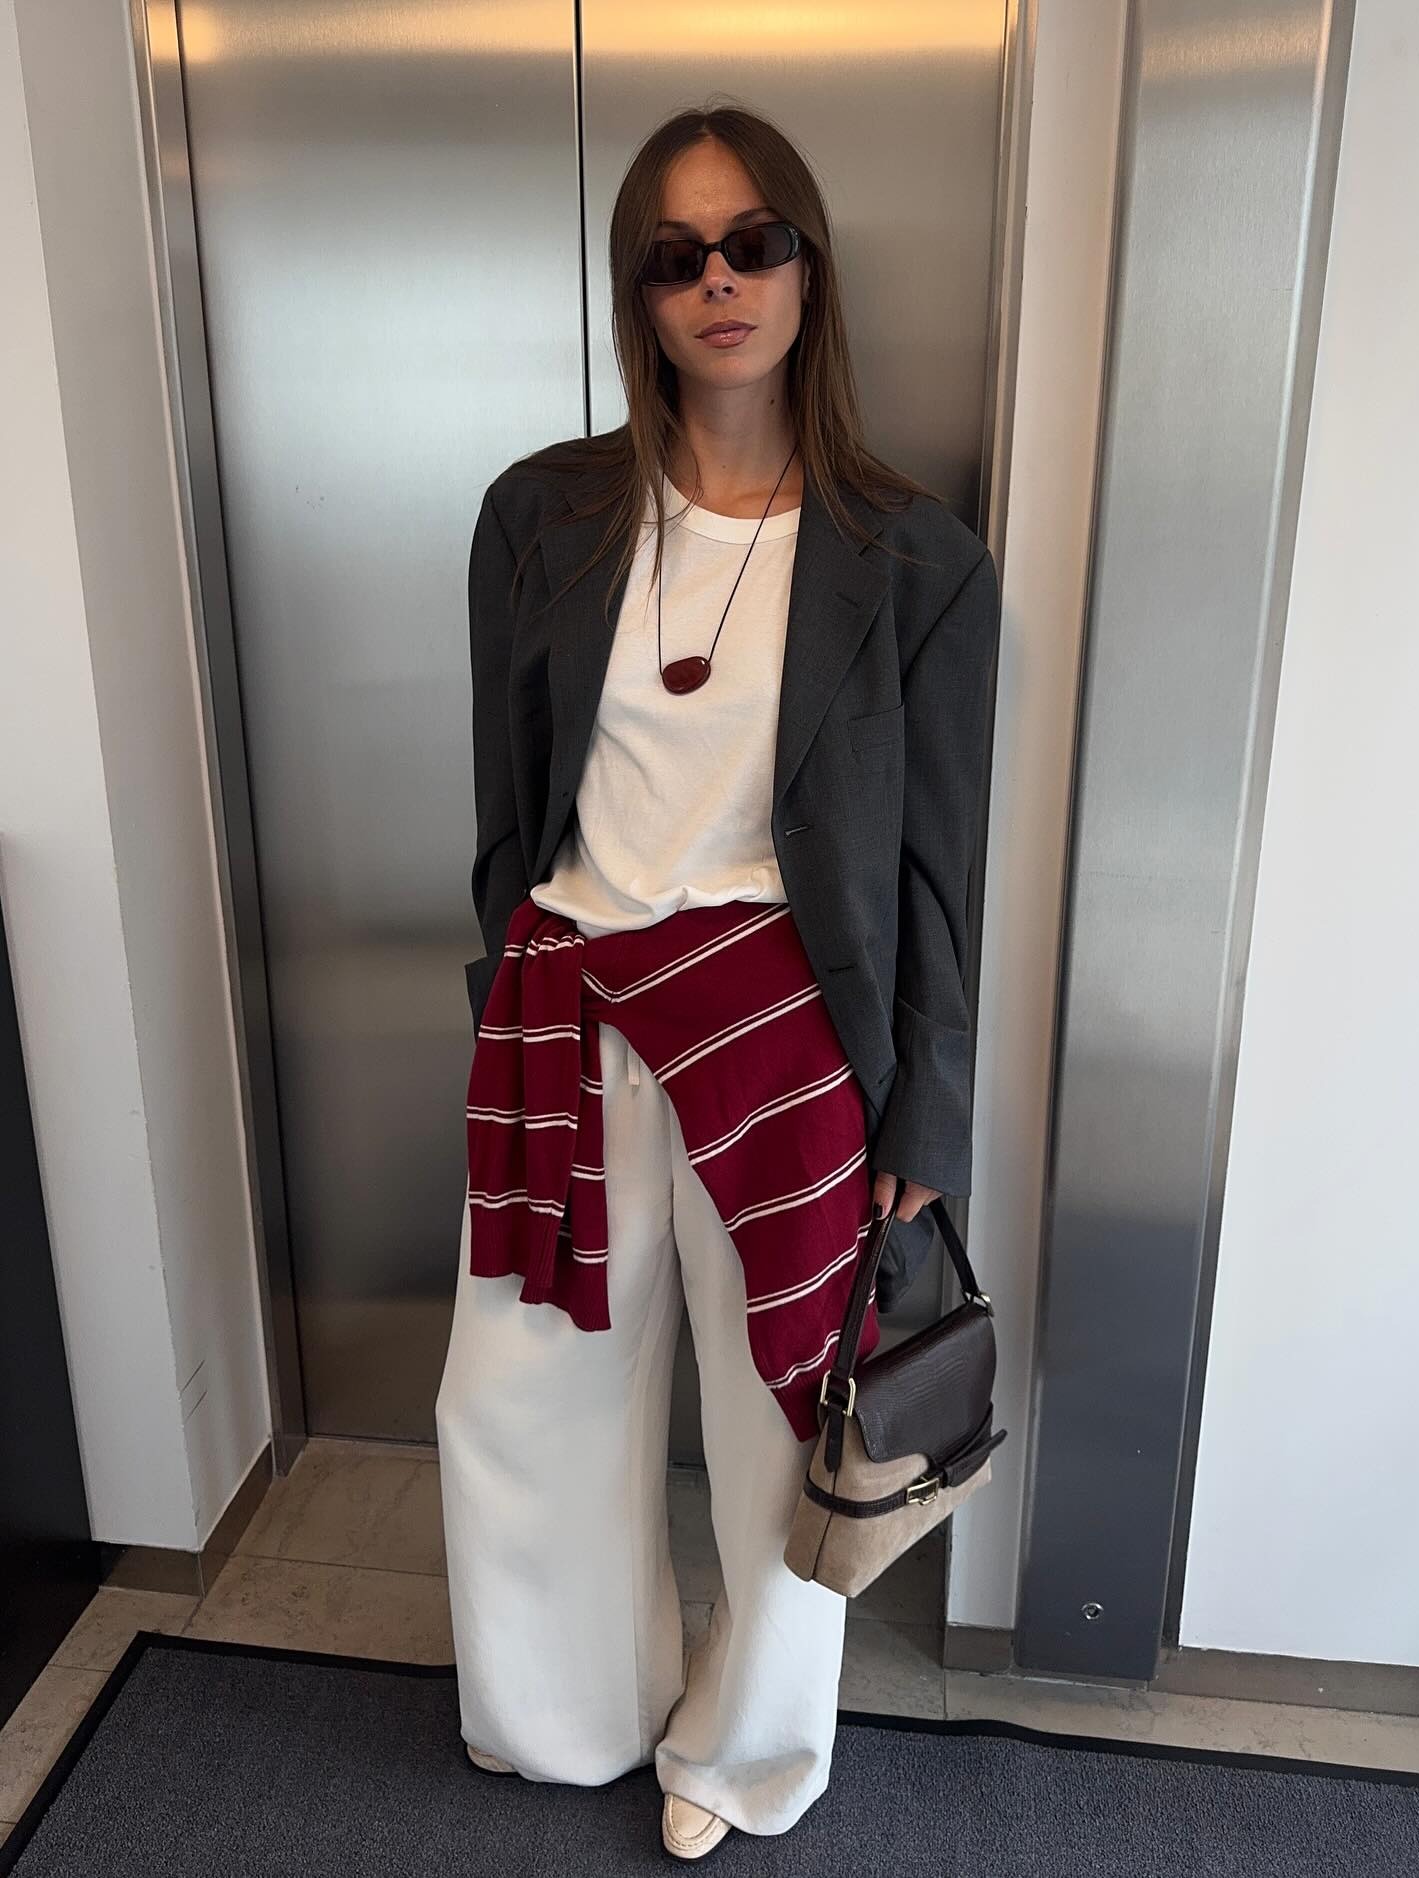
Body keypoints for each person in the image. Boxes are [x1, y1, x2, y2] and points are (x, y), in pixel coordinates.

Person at [435, 101, 1000, 1859]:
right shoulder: (540, 516)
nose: (719, 281)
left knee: (776, 1436)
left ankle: (741, 1757)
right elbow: (505, 794)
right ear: (639, 294)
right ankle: (570, 1716)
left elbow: (938, 870)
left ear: (809, 264)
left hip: (783, 1043)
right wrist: (500, 984)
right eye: (676, 255)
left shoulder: (916, 558)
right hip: (574, 1013)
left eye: (752, 241)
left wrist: (930, 1102)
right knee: (521, 1397)